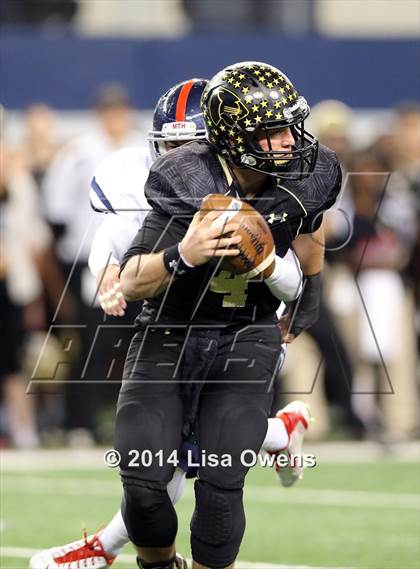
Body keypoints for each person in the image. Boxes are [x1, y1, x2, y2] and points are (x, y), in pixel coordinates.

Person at [29, 76, 309, 569]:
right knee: (151, 461)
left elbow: (299, 273)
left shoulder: (265, 183)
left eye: (190, 145)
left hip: (242, 326)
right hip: (167, 316)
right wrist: (108, 273)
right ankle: (281, 431)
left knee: (208, 462)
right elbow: (112, 236)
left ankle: (105, 547)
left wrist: (274, 285)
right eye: (169, 144)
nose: (178, 157)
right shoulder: (141, 176)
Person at [116, 61, 340, 569]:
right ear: (236, 138)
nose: (291, 139)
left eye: (290, 125)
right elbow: (132, 279)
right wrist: (184, 255)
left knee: (221, 484)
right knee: (144, 481)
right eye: (274, 130)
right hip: (169, 332)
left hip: (246, 334)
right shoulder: (187, 179)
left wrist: (309, 290)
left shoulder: (311, 171)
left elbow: (310, 228)